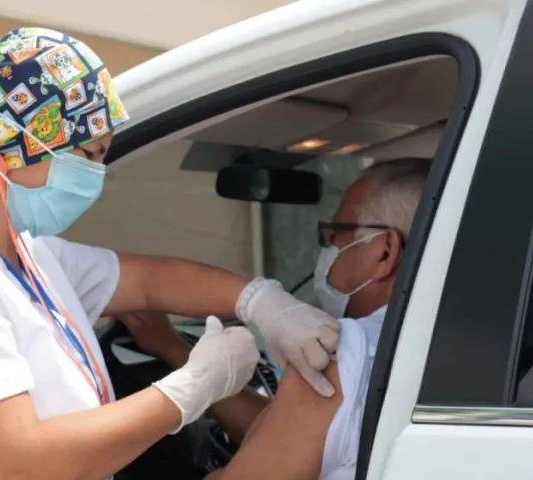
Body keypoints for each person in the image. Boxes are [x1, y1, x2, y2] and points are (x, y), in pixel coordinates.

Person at [0, 28, 340, 480]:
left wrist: (264, 303)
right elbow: (14, 464)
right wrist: (191, 388)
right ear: (15, 144)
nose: (96, 176)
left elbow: (147, 282)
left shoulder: (24, 252)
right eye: (89, 155)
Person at [121, 157, 430, 479]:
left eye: (334, 235)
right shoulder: (441, 342)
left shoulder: (351, 352)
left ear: (385, 250)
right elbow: (291, 437)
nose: (325, 252)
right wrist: (173, 348)